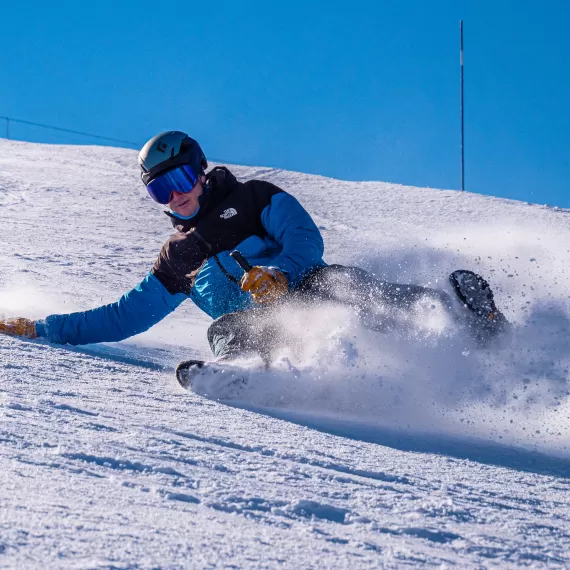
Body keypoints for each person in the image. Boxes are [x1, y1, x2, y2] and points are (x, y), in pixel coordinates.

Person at [0, 131, 508, 382]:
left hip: (309, 289)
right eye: (160, 192)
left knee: (347, 287)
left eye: (179, 180)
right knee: (222, 331)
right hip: (264, 330)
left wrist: (279, 274)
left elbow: (305, 240)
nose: (175, 197)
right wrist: (45, 330)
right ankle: (251, 376)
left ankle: (464, 318)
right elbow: (126, 315)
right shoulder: (177, 258)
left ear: (200, 171)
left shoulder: (254, 199)